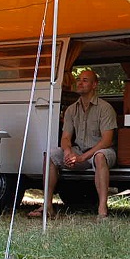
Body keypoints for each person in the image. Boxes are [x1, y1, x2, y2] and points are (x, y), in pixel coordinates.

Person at [29, 69, 117, 219]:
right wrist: (68, 152)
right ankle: (47, 205)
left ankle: (102, 208)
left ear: (94, 85)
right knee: (50, 154)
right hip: (79, 151)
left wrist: (83, 157)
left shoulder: (105, 108)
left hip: (101, 151)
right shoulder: (71, 109)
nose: (80, 83)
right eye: (78, 80)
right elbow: (65, 138)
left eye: (85, 80)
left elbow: (107, 140)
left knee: (100, 156)